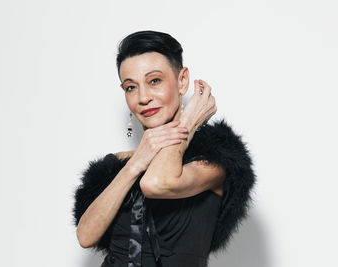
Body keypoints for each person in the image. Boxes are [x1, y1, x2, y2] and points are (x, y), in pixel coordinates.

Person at [72, 30, 256, 267]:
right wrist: (134, 165)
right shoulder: (116, 164)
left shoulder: (212, 160)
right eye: (131, 87)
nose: (143, 97)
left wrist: (187, 123)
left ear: (182, 81)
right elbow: (86, 236)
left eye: (154, 81)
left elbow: (156, 183)